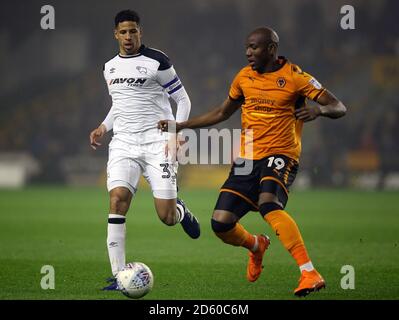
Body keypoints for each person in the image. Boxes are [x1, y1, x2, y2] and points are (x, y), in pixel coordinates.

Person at [158, 27, 347, 297]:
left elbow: (339, 107)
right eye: (247, 47)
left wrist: (318, 110)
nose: (248, 52)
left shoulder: (296, 77)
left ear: (271, 49)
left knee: (268, 205)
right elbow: (223, 112)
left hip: (281, 155)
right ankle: (256, 246)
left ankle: (309, 272)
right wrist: (181, 126)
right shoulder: (243, 78)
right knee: (220, 224)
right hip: (247, 158)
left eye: (255, 47)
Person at [90, 9, 200, 291]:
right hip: (124, 144)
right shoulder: (109, 67)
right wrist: (103, 127)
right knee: (117, 200)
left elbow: (182, 99)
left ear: (141, 32)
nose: (128, 36)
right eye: (123, 32)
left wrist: (176, 132)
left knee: (166, 217)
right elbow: (121, 104)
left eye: (133, 31)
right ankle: (118, 275)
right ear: (116, 34)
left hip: (156, 144)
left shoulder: (157, 61)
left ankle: (180, 211)